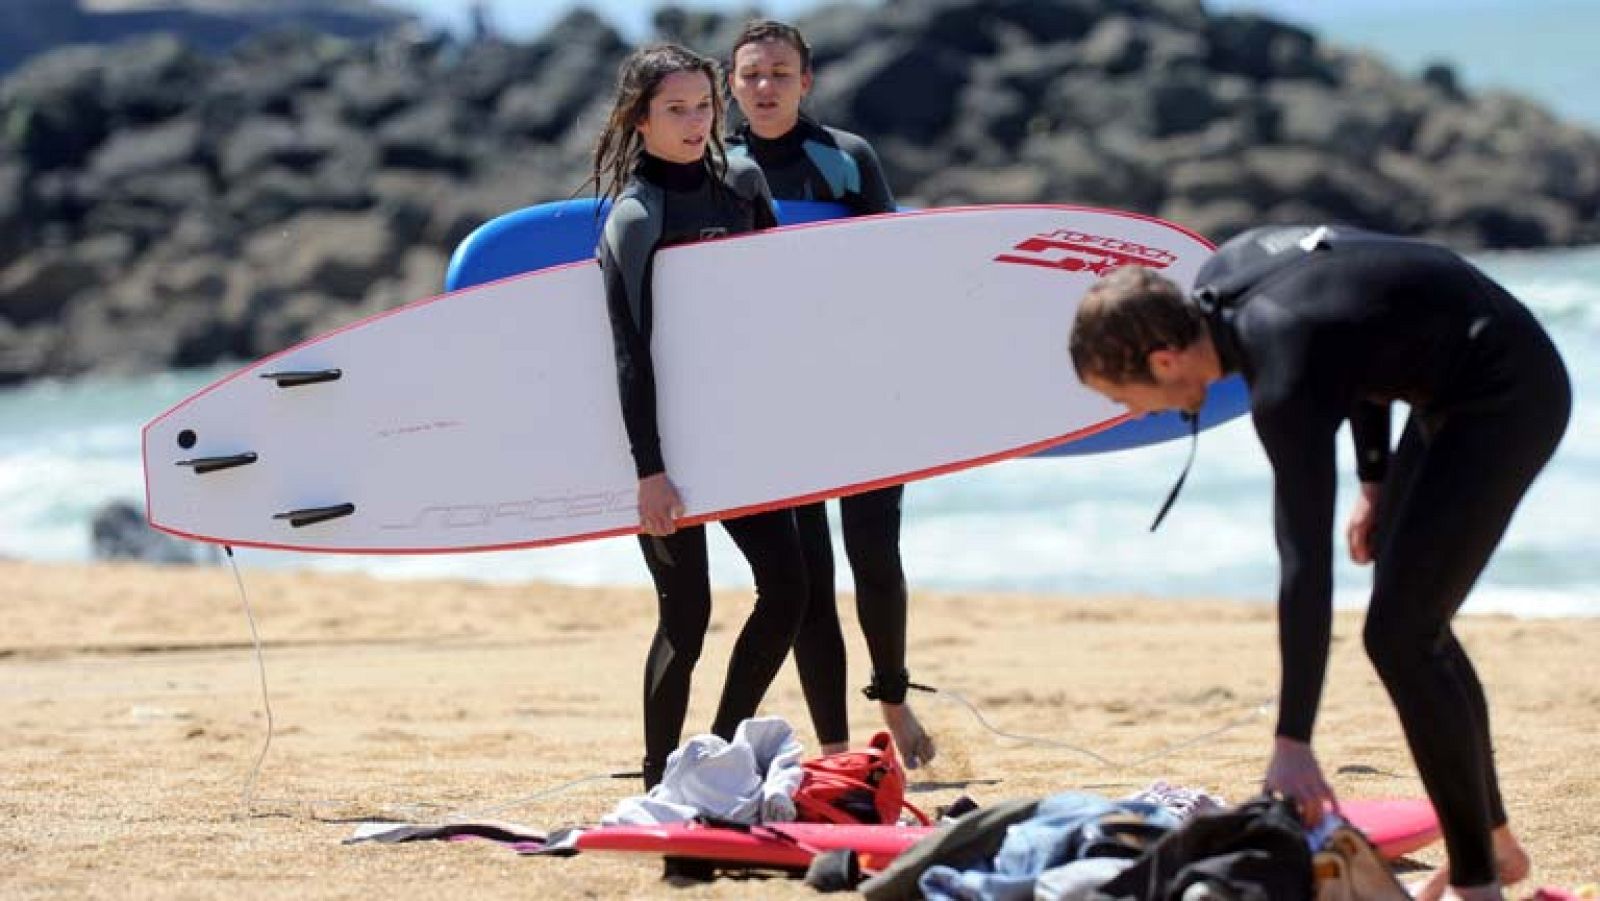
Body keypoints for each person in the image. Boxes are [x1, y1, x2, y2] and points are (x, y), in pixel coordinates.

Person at [1068, 225, 1569, 901]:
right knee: (1415, 628)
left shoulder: (1280, 369)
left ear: (1162, 361)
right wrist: (1375, 477)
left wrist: (1293, 739)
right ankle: (1495, 846)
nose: (1129, 416)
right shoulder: (1228, 285)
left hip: (1507, 390)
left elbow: (1304, 563)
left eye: (1120, 398)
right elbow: (1356, 328)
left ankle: (1478, 885)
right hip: (1452, 371)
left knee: (1401, 633)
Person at [592, 43, 810, 790]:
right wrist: (649, 470)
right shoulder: (635, 217)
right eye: (675, 109)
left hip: (739, 433)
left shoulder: (742, 186)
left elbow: (774, 307)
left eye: (704, 106)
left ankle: (714, 752)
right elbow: (630, 352)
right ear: (640, 120)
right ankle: (658, 782)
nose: (695, 122)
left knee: (788, 591)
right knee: (685, 622)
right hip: (666, 445)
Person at [725, 19, 935, 768]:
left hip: (860, 387)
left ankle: (893, 696)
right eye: (751, 74)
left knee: (875, 556)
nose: (765, 86)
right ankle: (838, 745)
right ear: (732, 84)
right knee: (810, 576)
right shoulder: (716, 168)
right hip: (777, 398)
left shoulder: (846, 160)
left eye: (780, 73)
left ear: (805, 80)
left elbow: (888, 267)